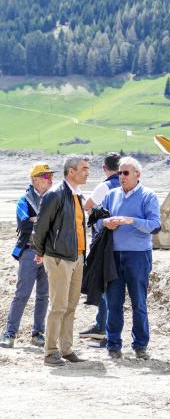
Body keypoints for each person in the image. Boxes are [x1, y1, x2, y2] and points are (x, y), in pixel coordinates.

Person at [32, 156, 90, 366]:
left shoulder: (77, 195)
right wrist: (41, 251)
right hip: (58, 258)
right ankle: (50, 351)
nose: (87, 172)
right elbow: (40, 227)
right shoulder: (55, 194)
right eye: (84, 168)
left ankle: (66, 349)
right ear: (71, 172)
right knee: (58, 306)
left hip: (77, 257)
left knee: (71, 305)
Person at [101, 157, 160, 360]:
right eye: (119, 173)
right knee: (113, 303)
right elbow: (97, 220)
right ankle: (113, 345)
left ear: (137, 175)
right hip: (114, 256)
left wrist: (132, 221)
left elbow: (154, 224)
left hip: (138, 256)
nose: (122, 177)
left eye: (126, 173)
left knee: (139, 303)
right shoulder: (111, 195)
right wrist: (106, 222)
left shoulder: (148, 196)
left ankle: (140, 345)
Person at [0, 164, 54, 349]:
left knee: (43, 295)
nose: (50, 178)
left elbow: (57, 225)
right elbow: (24, 225)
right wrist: (45, 222)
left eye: (50, 175)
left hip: (48, 253)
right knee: (22, 294)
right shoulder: (24, 200)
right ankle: (10, 333)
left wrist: (36, 221)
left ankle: (38, 333)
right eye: (46, 175)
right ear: (35, 179)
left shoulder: (52, 199)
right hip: (29, 251)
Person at [79, 152, 121, 346]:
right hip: (124, 243)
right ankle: (104, 328)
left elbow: (87, 206)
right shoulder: (128, 184)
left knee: (103, 285)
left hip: (104, 241)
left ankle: (101, 329)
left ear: (104, 168)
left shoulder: (104, 186)